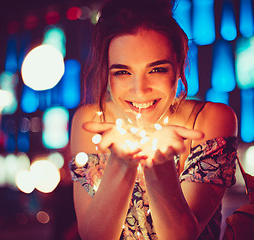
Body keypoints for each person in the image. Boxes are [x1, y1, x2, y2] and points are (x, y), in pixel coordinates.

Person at [69, 0, 238, 239]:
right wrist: (121, 163)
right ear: (107, 74)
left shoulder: (210, 120)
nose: (140, 90)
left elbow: (181, 236)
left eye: (157, 69)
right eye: (122, 72)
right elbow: (94, 236)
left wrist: (160, 164)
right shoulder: (91, 121)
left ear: (180, 66)